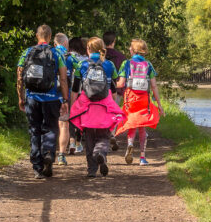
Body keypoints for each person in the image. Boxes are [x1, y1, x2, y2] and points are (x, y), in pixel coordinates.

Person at [17, 25, 68, 179]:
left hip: (32, 98)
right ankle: (48, 153)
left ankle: (37, 168)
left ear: (36, 35)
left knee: (35, 130)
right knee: (51, 128)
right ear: (50, 37)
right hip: (52, 98)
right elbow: (63, 79)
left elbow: (19, 77)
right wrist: (65, 100)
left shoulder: (27, 52)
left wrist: (21, 97)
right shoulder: (57, 53)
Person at [69, 37, 123, 178]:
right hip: (104, 105)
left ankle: (91, 170)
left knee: (89, 138)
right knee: (104, 136)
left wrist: (73, 107)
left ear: (88, 49)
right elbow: (113, 88)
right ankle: (100, 153)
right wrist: (113, 105)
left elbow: (75, 89)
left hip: (87, 106)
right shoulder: (109, 65)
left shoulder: (82, 65)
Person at [115, 38, 162, 166]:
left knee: (132, 123)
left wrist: (110, 84)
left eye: (130, 47)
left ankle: (130, 144)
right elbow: (154, 86)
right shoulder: (148, 65)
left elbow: (121, 84)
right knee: (142, 126)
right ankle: (142, 157)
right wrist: (159, 104)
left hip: (130, 98)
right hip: (144, 99)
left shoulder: (126, 63)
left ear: (133, 50)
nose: (129, 49)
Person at [53, 33, 79, 166]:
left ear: (55, 43)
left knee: (49, 125)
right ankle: (61, 156)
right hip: (65, 95)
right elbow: (82, 68)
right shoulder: (70, 57)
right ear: (65, 44)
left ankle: (47, 153)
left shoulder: (49, 53)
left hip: (48, 95)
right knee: (64, 125)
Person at [66, 36, 88, 155]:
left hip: (71, 90)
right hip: (84, 91)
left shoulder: (68, 57)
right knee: (81, 117)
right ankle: (79, 143)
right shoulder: (86, 59)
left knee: (71, 116)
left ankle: (71, 142)